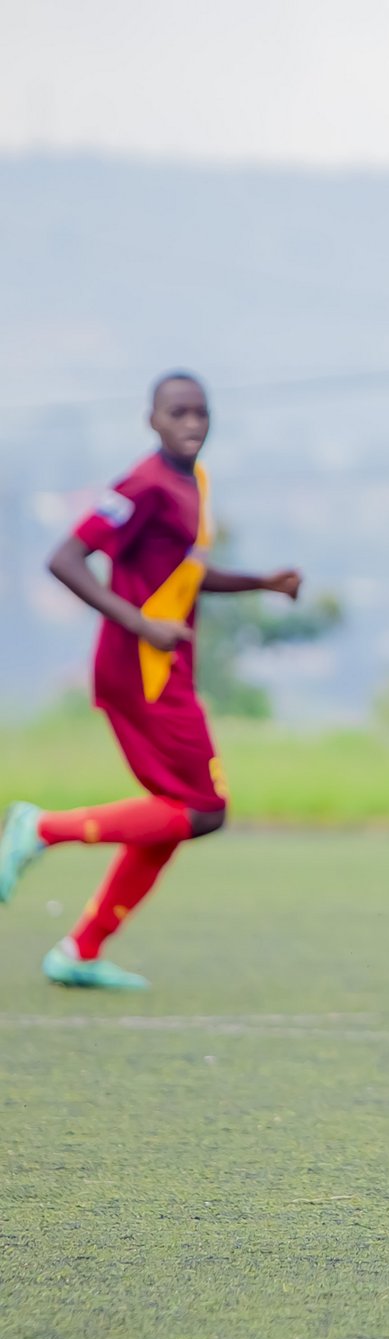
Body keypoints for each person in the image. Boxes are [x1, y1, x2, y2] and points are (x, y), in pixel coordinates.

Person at [0, 373, 304, 990]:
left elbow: (183, 574)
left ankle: (80, 951)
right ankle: (40, 828)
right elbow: (64, 559)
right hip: (139, 669)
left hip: (166, 667)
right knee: (204, 809)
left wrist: (260, 582)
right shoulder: (141, 485)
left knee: (172, 814)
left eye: (200, 413)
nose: (192, 423)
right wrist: (141, 624)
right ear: (152, 420)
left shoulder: (194, 481)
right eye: (178, 412)